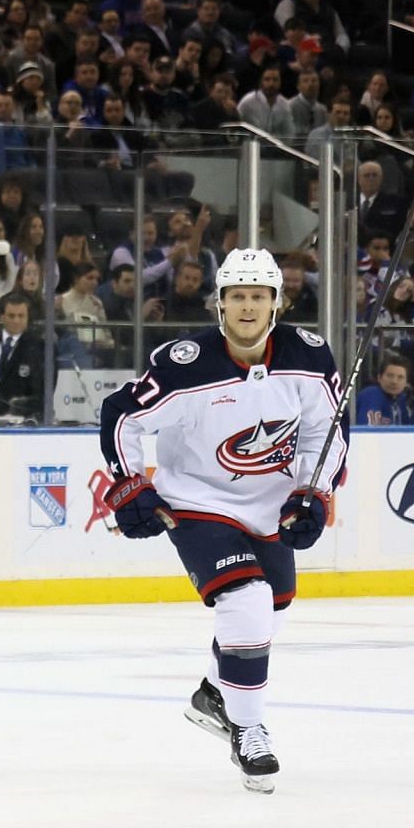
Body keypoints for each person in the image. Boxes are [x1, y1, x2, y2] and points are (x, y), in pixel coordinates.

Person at [98, 249, 345, 794]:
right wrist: (129, 483)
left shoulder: (309, 357)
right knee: (247, 605)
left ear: (277, 303)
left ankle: (215, 693)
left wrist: (314, 490)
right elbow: (121, 414)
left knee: (269, 615)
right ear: (221, 304)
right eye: (238, 296)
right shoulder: (186, 363)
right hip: (197, 501)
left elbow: (325, 429)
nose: (248, 306)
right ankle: (248, 727)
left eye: (259, 295)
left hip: (271, 504)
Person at [355, 355, 414, 425]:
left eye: (400, 377)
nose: (394, 381)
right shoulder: (371, 395)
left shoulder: (401, 400)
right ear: (379, 378)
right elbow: (366, 432)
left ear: (406, 383)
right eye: (390, 376)